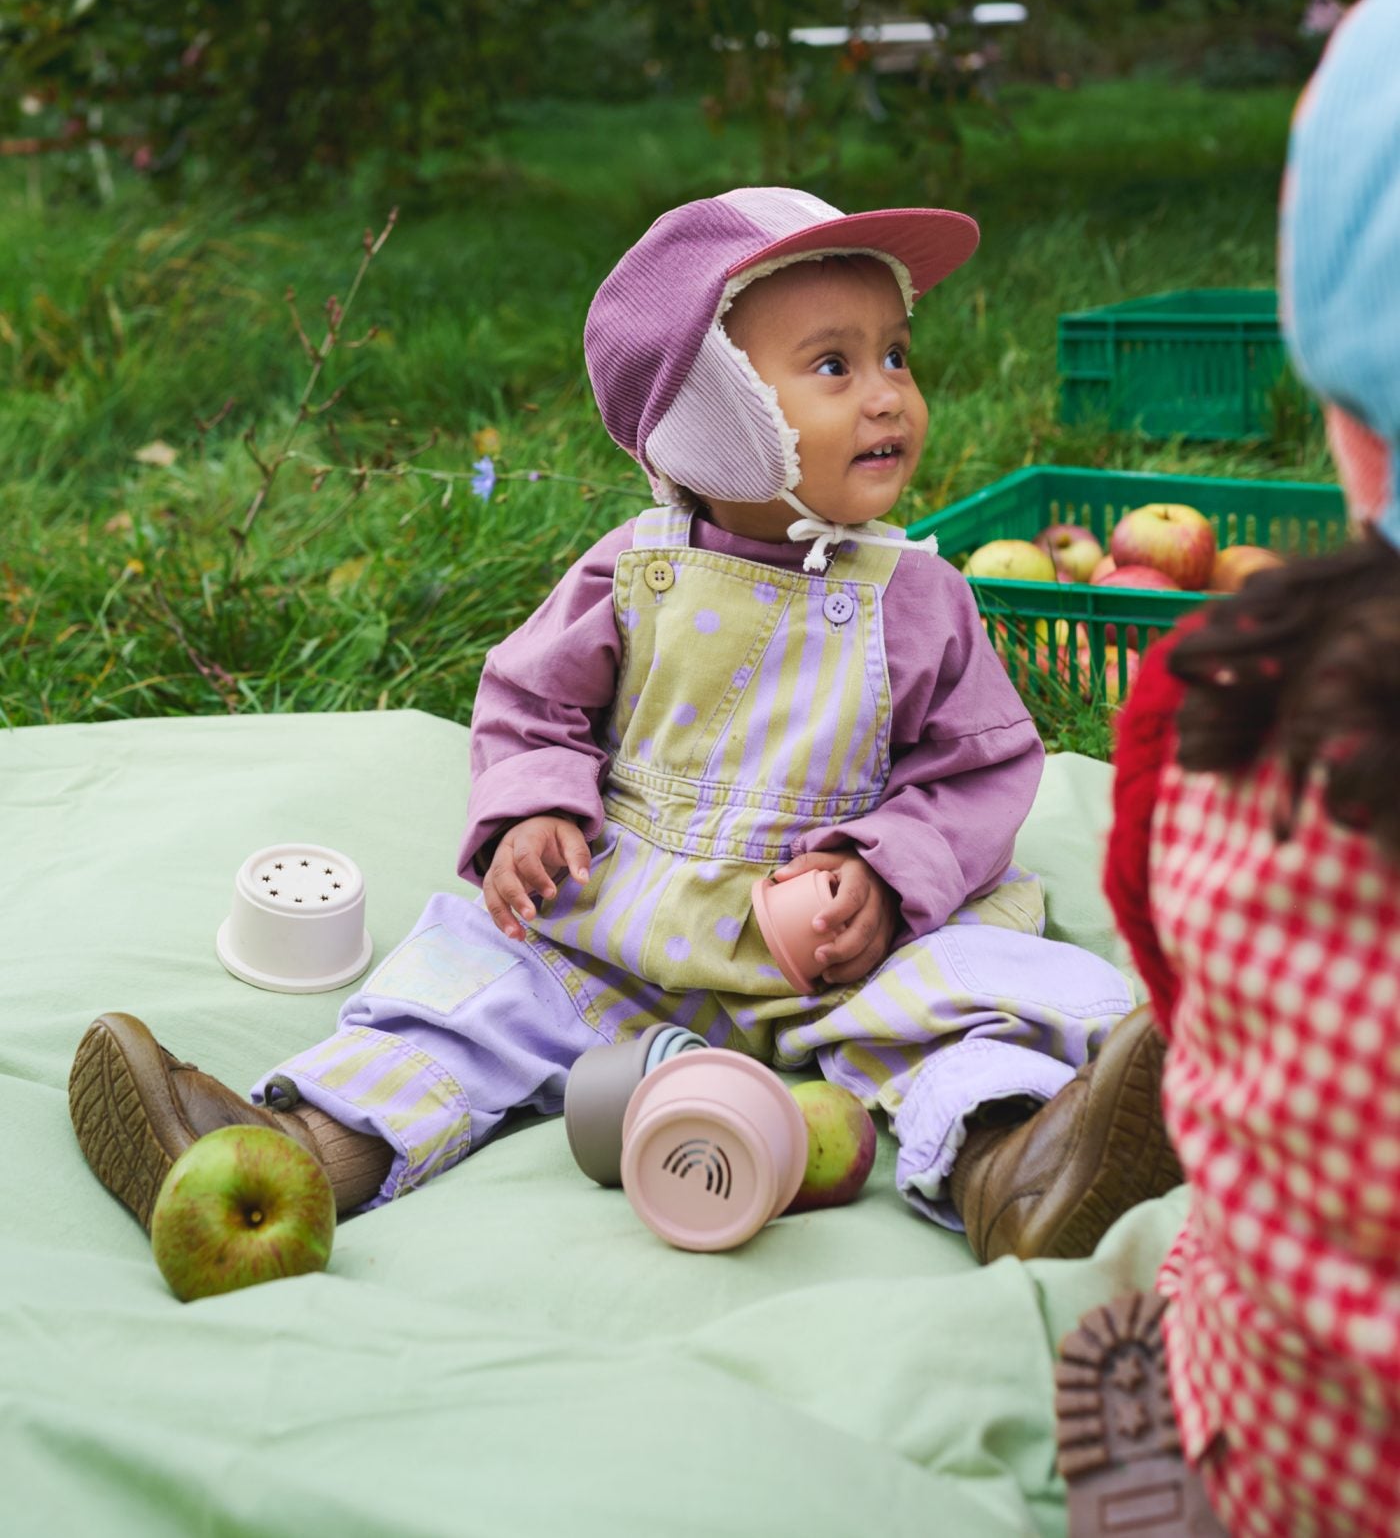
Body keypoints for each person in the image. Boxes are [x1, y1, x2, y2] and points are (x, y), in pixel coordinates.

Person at [71, 186, 1180, 1260]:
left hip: (838, 954)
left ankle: (1021, 1170)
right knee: (473, 995)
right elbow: (529, 704)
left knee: (977, 1004)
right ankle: (287, 1150)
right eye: (833, 365)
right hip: (626, 930)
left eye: (895, 354)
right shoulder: (631, 573)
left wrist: (886, 875)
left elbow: (980, 765)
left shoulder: (917, 595)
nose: (888, 393)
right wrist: (532, 813)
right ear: (712, 412)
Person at [1057, 0, 1400, 1538]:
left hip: (1292, 1472)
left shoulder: (1208, 697)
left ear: (1348, 418)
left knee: (1167, 1301)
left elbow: (1187, 1006)